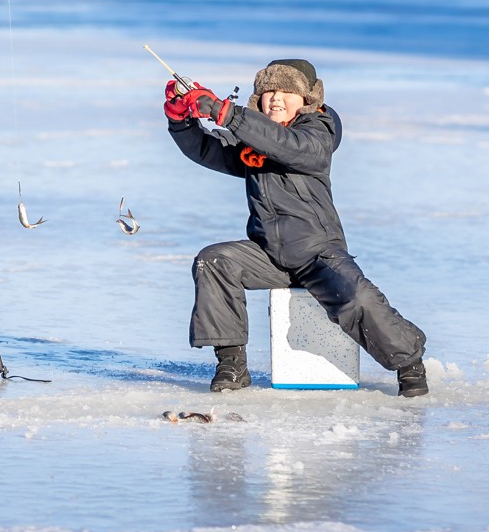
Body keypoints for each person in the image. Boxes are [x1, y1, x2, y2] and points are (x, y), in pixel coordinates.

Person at [163, 58, 429, 397]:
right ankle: (231, 365)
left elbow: (293, 148)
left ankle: (409, 362)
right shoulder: (253, 142)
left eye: (287, 91)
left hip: (319, 254)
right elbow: (207, 148)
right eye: (268, 91)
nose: (275, 98)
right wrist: (180, 120)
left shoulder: (320, 129)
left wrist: (226, 113)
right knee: (215, 261)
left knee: (357, 297)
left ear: (307, 100)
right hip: (269, 255)